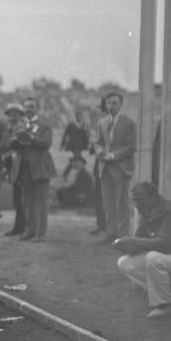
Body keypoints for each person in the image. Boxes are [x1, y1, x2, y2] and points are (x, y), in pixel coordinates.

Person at [113, 182, 171, 318]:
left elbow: (166, 244)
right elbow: (139, 241)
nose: (137, 204)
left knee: (153, 258)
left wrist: (136, 242)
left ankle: (165, 304)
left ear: (153, 196)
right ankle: (167, 292)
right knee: (124, 262)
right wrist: (125, 245)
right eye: (135, 200)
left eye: (140, 199)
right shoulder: (147, 213)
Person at [8, 97, 56, 242]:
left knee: (40, 202)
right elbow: (11, 143)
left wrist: (30, 138)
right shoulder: (19, 125)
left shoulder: (44, 125)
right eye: (26, 106)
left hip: (40, 168)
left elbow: (47, 143)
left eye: (32, 106)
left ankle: (41, 233)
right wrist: (17, 140)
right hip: (24, 168)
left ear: (37, 109)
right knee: (27, 201)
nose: (28, 109)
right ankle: (30, 231)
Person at [95, 91, 136, 245]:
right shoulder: (102, 122)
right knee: (108, 202)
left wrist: (113, 155)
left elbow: (132, 147)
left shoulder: (129, 123)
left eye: (114, 103)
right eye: (108, 103)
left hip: (121, 168)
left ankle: (123, 237)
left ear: (121, 104)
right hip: (105, 168)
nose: (111, 106)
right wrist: (99, 151)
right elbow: (98, 142)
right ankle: (111, 233)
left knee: (122, 203)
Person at [2, 103, 28, 237]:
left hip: (22, 165)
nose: (13, 117)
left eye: (16, 115)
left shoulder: (22, 127)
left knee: (22, 198)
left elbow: (18, 144)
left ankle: (23, 227)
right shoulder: (11, 128)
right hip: (14, 164)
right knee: (17, 198)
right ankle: (19, 226)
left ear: (21, 116)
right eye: (10, 115)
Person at [89, 97, 108, 236]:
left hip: (110, 163)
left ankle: (108, 225)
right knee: (99, 195)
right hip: (99, 164)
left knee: (108, 196)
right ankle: (101, 224)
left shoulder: (113, 125)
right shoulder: (99, 126)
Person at [60, 110, 89, 181]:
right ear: (76, 117)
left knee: (77, 159)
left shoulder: (84, 125)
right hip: (73, 145)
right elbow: (65, 134)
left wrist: (87, 145)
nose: (79, 117)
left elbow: (85, 136)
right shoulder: (71, 125)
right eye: (77, 116)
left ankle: (68, 173)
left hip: (80, 145)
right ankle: (69, 173)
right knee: (78, 159)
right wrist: (62, 144)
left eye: (80, 116)